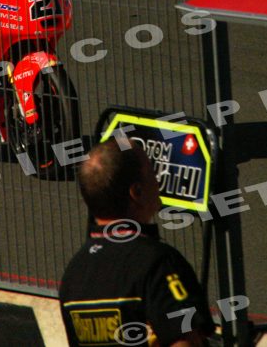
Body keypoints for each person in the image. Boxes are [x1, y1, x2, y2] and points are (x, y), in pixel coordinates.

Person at [59, 138, 215, 347]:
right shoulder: (157, 263)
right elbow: (184, 341)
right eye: (152, 174)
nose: (158, 182)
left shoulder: (73, 276)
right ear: (137, 193)